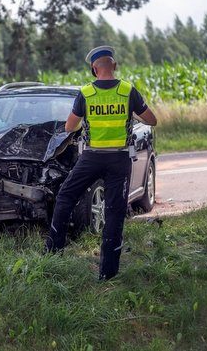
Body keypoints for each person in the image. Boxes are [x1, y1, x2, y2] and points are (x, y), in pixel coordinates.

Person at [45, 45, 158, 280]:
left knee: (65, 196)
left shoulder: (86, 93)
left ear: (94, 69)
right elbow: (151, 120)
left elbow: (69, 127)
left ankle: (53, 252)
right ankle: (108, 272)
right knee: (115, 212)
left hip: (92, 157)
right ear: (114, 66)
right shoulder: (128, 91)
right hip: (119, 159)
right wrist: (130, 113)